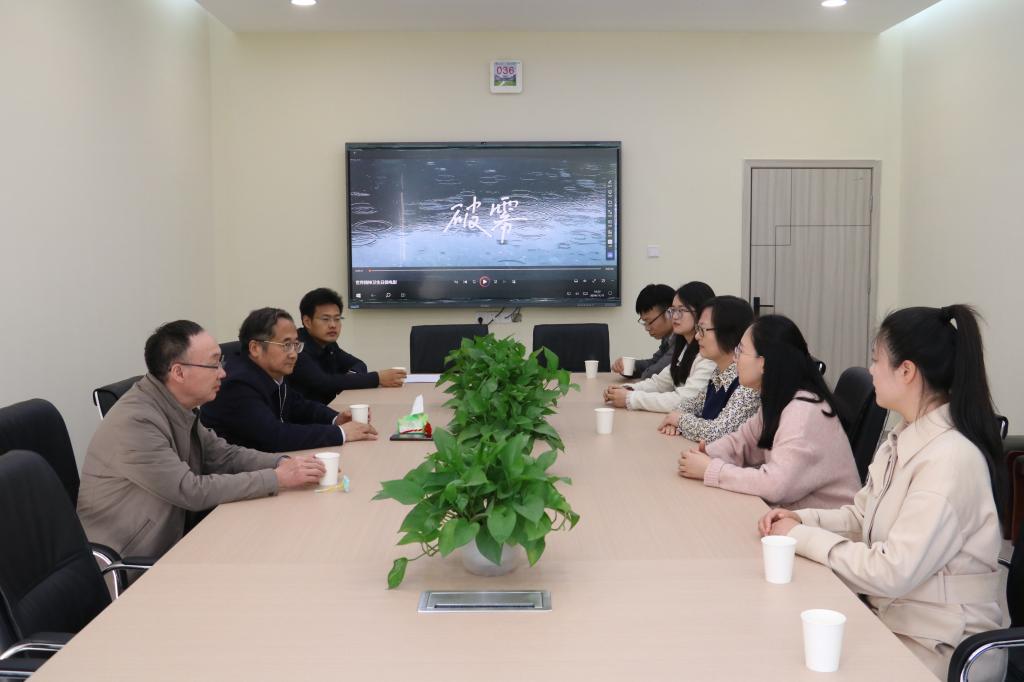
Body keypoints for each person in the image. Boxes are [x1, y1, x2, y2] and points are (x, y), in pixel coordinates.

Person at [759, 305, 1006, 680]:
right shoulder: (903, 438)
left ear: (906, 371)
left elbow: (891, 572)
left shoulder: (950, 460)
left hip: (941, 645)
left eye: (876, 360)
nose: (871, 370)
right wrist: (800, 519)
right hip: (895, 618)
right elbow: (861, 517)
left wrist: (802, 538)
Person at [77, 320, 327, 558]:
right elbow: (190, 490)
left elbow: (224, 456)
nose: (223, 373)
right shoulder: (136, 422)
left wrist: (283, 463)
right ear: (178, 372)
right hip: (133, 562)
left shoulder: (176, 405)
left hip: (178, 539)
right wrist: (277, 478)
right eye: (213, 365)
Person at [677, 315, 860, 509]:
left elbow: (775, 485)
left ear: (763, 363)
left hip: (823, 522)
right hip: (791, 515)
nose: (734, 358)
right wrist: (708, 454)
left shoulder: (802, 412)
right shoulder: (779, 398)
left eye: (741, 351)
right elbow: (743, 441)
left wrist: (712, 469)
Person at [201, 308, 378, 452]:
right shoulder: (237, 383)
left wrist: (336, 419)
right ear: (255, 348)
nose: (293, 354)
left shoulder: (270, 371)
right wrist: (340, 433)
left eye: (295, 345)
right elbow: (274, 436)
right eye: (286, 345)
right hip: (236, 475)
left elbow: (298, 406)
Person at [658, 296, 760, 442]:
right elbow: (688, 405)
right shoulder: (719, 373)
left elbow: (718, 433)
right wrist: (675, 419)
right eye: (697, 329)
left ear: (727, 332)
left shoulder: (747, 382)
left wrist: (679, 421)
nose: (697, 336)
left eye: (702, 329)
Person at [604, 282, 716, 413]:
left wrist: (630, 398)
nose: (674, 317)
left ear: (702, 313)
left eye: (681, 310)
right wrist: (627, 389)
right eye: (672, 310)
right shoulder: (684, 347)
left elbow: (685, 401)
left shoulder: (709, 353)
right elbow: (659, 383)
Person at [288, 287, 407, 404]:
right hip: (302, 415)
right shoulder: (296, 348)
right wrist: (378, 378)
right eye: (325, 319)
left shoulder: (329, 345)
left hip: (329, 409)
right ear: (307, 322)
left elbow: (359, 364)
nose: (333, 325)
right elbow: (324, 383)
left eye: (337, 319)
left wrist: (349, 379)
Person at [611, 284, 676, 379]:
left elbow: (656, 372)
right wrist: (629, 366)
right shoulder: (668, 337)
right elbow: (654, 363)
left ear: (669, 313)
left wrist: (643, 372)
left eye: (649, 321)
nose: (647, 328)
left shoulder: (683, 339)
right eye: (644, 322)